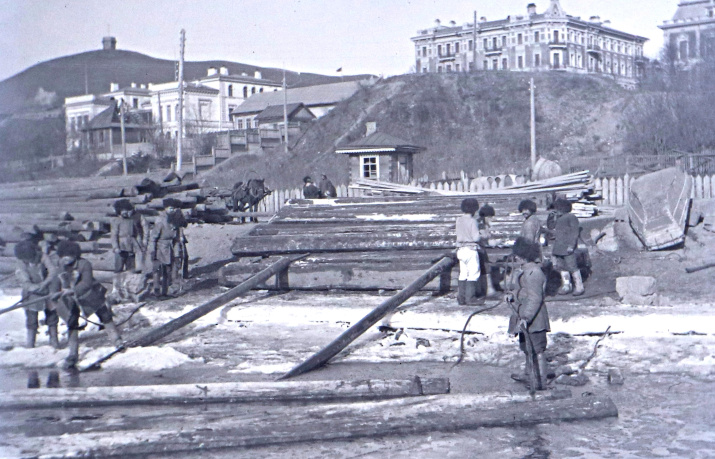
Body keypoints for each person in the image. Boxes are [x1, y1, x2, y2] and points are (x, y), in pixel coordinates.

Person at [52, 240, 123, 370]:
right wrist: (55, 293)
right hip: (71, 298)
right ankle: (73, 353)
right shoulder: (60, 266)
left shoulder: (84, 264)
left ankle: (117, 340)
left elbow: (87, 283)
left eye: (69, 255)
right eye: (64, 256)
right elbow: (56, 282)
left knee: (105, 315)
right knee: (72, 322)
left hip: (90, 294)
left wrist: (73, 290)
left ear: (75, 255)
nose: (66, 258)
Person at [506, 237, 550, 390]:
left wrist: (526, 317)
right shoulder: (525, 271)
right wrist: (513, 295)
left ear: (524, 255)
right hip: (523, 316)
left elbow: (535, 298)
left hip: (534, 318)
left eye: (518, 255)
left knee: (537, 349)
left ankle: (540, 381)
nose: (516, 258)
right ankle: (528, 374)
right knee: (526, 348)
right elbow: (523, 291)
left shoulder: (534, 272)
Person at [14, 241, 60, 349]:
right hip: (32, 293)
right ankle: (30, 343)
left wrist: (45, 283)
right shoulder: (21, 263)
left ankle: (54, 341)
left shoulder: (42, 256)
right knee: (31, 318)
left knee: (52, 315)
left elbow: (53, 271)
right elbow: (24, 281)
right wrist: (34, 287)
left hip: (48, 289)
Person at [149, 198, 185, 297]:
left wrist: (177, 253)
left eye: (174, 209)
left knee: (167, 271)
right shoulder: (160, 221)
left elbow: (176, 239)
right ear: (165, 208)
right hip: (159, 248)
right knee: (157, 270)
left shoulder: (175, 220)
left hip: (170, 248)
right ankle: (156, 290)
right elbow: (153, 238)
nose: (172, 210)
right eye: (170, 208)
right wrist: (153, 252)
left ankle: (165, 292)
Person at [549, 198, 584, 296]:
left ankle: (579, 287)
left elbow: (574, 232)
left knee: (572, 266)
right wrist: (551, 218)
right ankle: (566, 285)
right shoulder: (558, 218)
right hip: (558, 247)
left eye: (557, 208)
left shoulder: (571, 217)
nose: (556, 210)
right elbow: (550, 227)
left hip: (568, 247)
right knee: (562, 267)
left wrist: (571, 246)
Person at [455, 198, 482, 305]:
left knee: (463, 274)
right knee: (473, 274)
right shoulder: (472, 221)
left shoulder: (458, 220)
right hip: (470, 249)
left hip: (460, 250)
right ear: (474, 209)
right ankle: (470, 298)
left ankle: (461, 298)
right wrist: (481, 235)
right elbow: (476, 238)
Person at [111, 199, 145, 273]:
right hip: (121, 247)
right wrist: (116, 247)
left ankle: (129, 283)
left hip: (131, 246)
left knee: (131, 268)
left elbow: (137, 234)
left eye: (126, 210)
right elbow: (114, 235)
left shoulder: (131, 221)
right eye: (123, 210)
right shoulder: (116, 221)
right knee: (119, 268)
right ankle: (117, 283)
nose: (125, 212)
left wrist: (140, 245)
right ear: (119, 211)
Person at [477, 204, 497, 297]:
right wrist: (491, 239)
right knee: (485, 269)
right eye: (490, 217)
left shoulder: (482, 223)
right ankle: (488, 290)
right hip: (478, 249)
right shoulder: (480, 224)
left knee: (485, 268)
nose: (491, 219)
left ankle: (486, 289)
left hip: (481, 249)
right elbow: (483, 236)